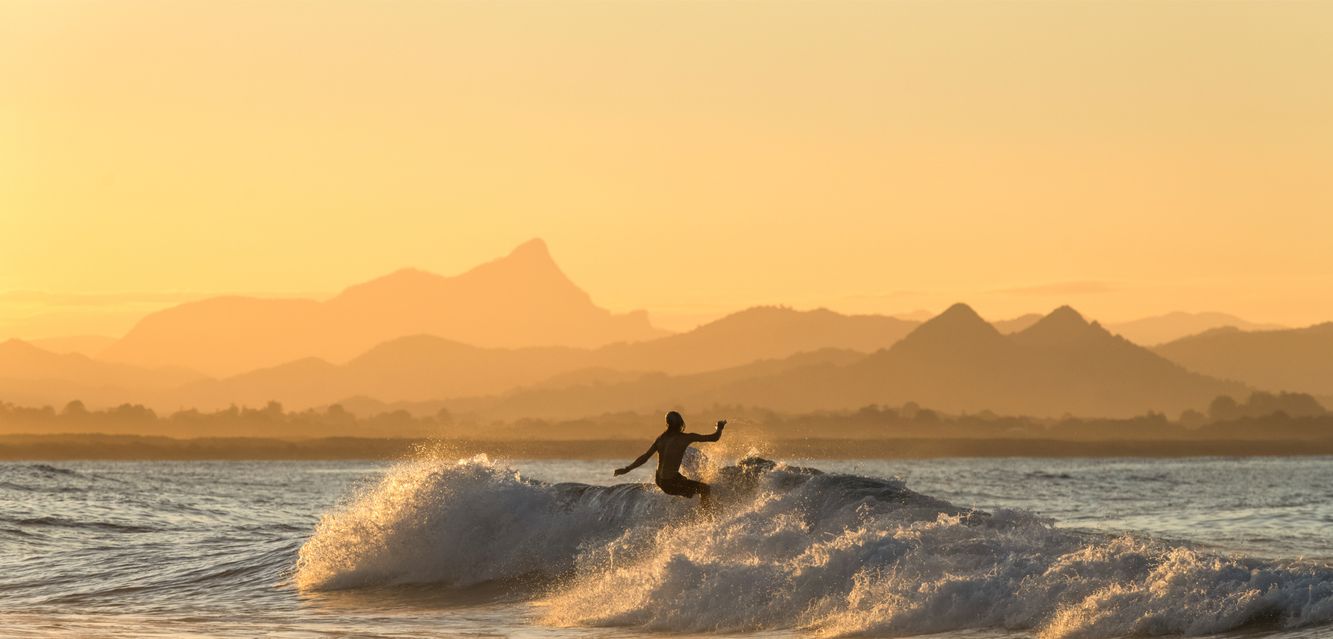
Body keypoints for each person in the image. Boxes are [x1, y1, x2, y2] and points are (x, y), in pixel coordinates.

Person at [614, 411, 726, 510]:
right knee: (705, 489)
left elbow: (645, 457)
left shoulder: (661, 439)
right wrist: (719, 428)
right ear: (681, 423)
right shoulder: (685, 438)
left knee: (685, 481)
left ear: (667, 424)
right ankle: (706, 515)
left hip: (660, 480)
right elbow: (714, 438)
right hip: (670, 483)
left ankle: (700, 504)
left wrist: (627, 469)